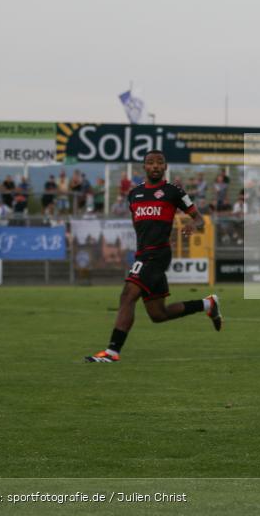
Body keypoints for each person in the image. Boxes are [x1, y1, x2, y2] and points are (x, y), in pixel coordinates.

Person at [84, 150, 222, 363]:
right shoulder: (134, 194)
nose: (155, 166)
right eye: (151, 162)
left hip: (157, 254)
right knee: (159, 314)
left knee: (128, 295)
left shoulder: (173, 191)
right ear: (144, 167)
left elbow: (199, 219)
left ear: (165, 167)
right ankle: (208, 304)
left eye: (160, 162)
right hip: (143, 253)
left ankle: (111, 352)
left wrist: (192, 225)